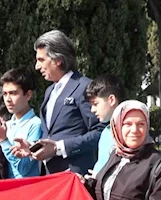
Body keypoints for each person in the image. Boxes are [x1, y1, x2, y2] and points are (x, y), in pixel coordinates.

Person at [30, 30, 105, 174]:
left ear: (58, 60)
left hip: (75, 177)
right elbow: (53, 135)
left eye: (41, 60)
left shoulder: (84, 87)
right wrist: (32, 147)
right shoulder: (49, 91)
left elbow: (100, 132)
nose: (37, 67)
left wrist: (60, 148)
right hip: (50, 177)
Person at [0, 67, 42, 178]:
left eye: (13, 93)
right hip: (6, 190)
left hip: (27, 190)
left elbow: (24, 168)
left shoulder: (36, 124)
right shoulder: (6, 125)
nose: (8, 99)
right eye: (5, 94)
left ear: (28, 95)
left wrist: (3, 140)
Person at [84, 74, 125, 175]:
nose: (92, 110)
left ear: (111, 100)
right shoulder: (106, 132)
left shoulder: (130, 133)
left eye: (95, 103)